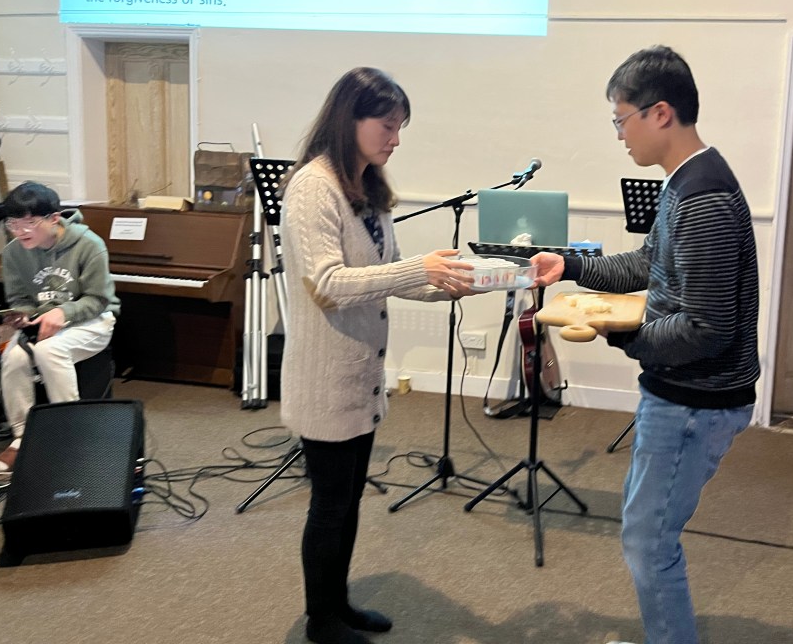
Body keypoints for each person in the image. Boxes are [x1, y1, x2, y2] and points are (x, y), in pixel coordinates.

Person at [531, 46, 760, 644]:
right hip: (676, 393)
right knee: (643, 530)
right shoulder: (685, 182)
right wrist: (571, 266)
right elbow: (648, 263)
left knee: (648, 542)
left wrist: (625, 334)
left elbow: (707, 329)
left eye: (621, 119)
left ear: (660, 113)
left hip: (695, 401)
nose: (619, 135)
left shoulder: (704, 198)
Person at [279, 67, 477, 644]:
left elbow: (385, 276)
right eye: (387, 126)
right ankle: (321, 621)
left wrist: (452, 283)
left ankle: (337, 604)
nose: (396, 139)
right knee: (329, 505)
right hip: (325, 380)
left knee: (347, 501)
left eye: (400, 127)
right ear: (351, 120)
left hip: (358, 377)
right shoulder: (313, 188)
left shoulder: (367, 190)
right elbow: (328, 283)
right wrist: (419, 269)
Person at [0, 181, 119, 473]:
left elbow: (99, 299)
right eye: (12, 224)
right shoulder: (13, 253)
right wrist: (21, 315)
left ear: (54, 218)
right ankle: (23, 436)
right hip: (44, 322)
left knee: (49, 351)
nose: (20, 231)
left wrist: (63, 312)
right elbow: (20, 299)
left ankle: (69, 435)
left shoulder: (89, 245)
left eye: (29, 223)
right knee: (13, 357)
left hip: (94, 320)